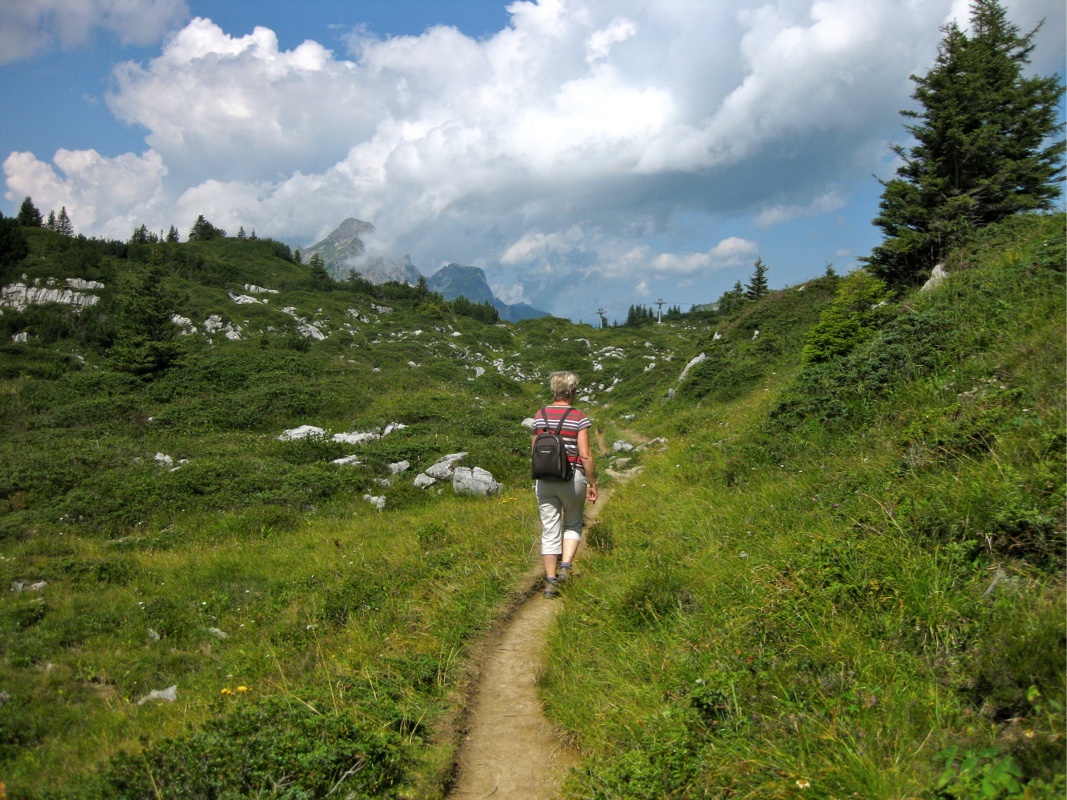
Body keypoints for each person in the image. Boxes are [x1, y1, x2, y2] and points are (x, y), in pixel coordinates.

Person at [531, 371, 598, 599]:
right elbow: (585, 454)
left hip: (544, 480)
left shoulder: (540, 416)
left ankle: (550, 581)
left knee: (550, 529)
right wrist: (592, 483)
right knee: (573, 524)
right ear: (570, 392)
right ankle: (566, 567)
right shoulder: (578, 417)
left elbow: (534, 451)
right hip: (571, 478)